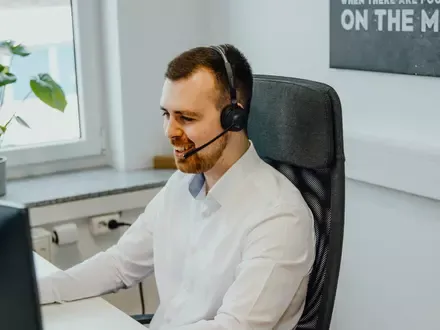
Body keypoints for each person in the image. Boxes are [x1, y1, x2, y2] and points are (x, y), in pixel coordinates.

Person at [37, 44, 316, 330]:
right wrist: (37, 293)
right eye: (166, 115)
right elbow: (119, 264)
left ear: (234, 118)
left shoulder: (279, 216)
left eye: (186, 118)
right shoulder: (183, 183)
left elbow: (234, 327)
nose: (170, 131)